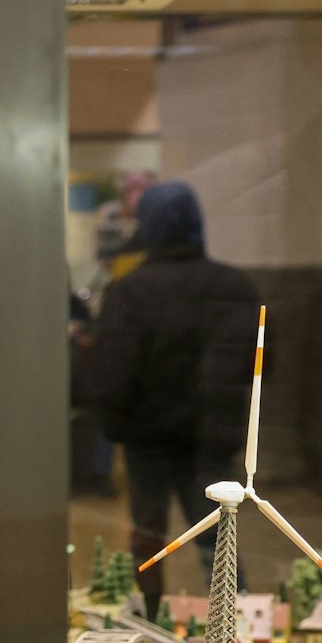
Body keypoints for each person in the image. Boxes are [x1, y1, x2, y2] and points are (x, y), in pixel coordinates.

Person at [82, 182, 259, 617]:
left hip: (149, 442)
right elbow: (257, 366)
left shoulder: (130, 291)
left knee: (147, 539)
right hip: (211, 440)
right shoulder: (235, 287)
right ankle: (243, 630)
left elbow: (112, 373)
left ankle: (149, 625)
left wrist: (118, 429)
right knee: (220, 540)